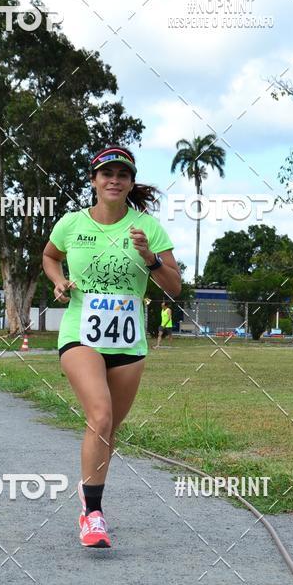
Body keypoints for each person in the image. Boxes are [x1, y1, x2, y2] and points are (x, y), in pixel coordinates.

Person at [42, 145, 181, 548]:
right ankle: (93, 515)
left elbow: (173, 287)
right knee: (99, 416)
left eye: (122, 174)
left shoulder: (148, 227)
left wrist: (150, 259)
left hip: (127, 338)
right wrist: (58, 281)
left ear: (131, 182)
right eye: (107, 174)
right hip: (80, 333)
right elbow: (50, 257)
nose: (114, 180)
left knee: (108, 430)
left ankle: (90, 497)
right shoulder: (72, 224)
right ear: (94, 181)